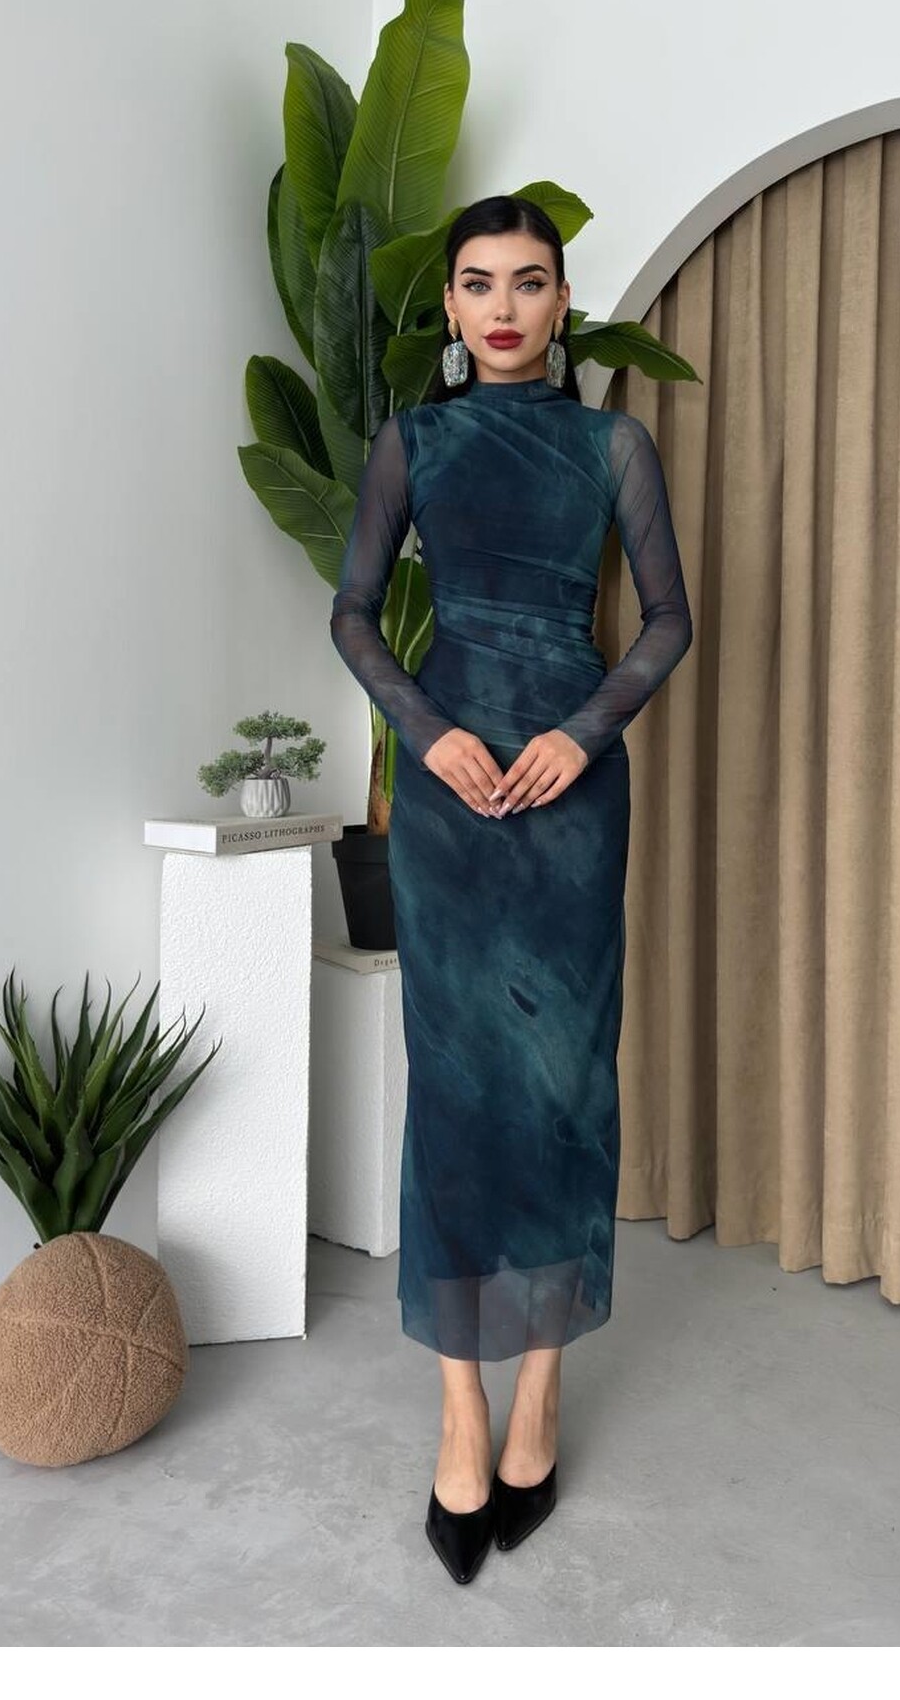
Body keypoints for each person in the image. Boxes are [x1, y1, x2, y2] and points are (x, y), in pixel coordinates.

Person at [330, 195, 693, 1583]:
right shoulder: (412, 443)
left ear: (561, 302)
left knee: (565, 1088)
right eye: (477, 284)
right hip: (448, 795)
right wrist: (429, 737)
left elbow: (668, 620)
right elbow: (354, 613)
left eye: (528, 283)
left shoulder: (612, 446)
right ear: (451, 308)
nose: (501, 307)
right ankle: (460, 1412)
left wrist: (581, 735)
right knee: (457, 1089)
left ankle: (539, 1394)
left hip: (570, 798)